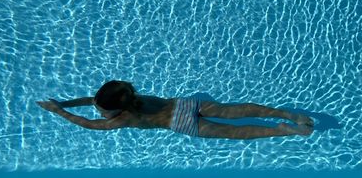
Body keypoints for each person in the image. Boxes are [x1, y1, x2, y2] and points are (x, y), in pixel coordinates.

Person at [37, 80, 314, 139]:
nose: (98, 112)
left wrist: (59, 111)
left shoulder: (122, 119)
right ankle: (286, 114)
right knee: (236, 110)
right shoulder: (128, 98)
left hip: (181, 124)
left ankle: (283, 132)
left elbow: (89, 123)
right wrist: (65, 102)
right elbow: (93, 101)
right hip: (185, 104)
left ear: (111, 110)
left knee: (237, 132)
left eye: (101, 110)